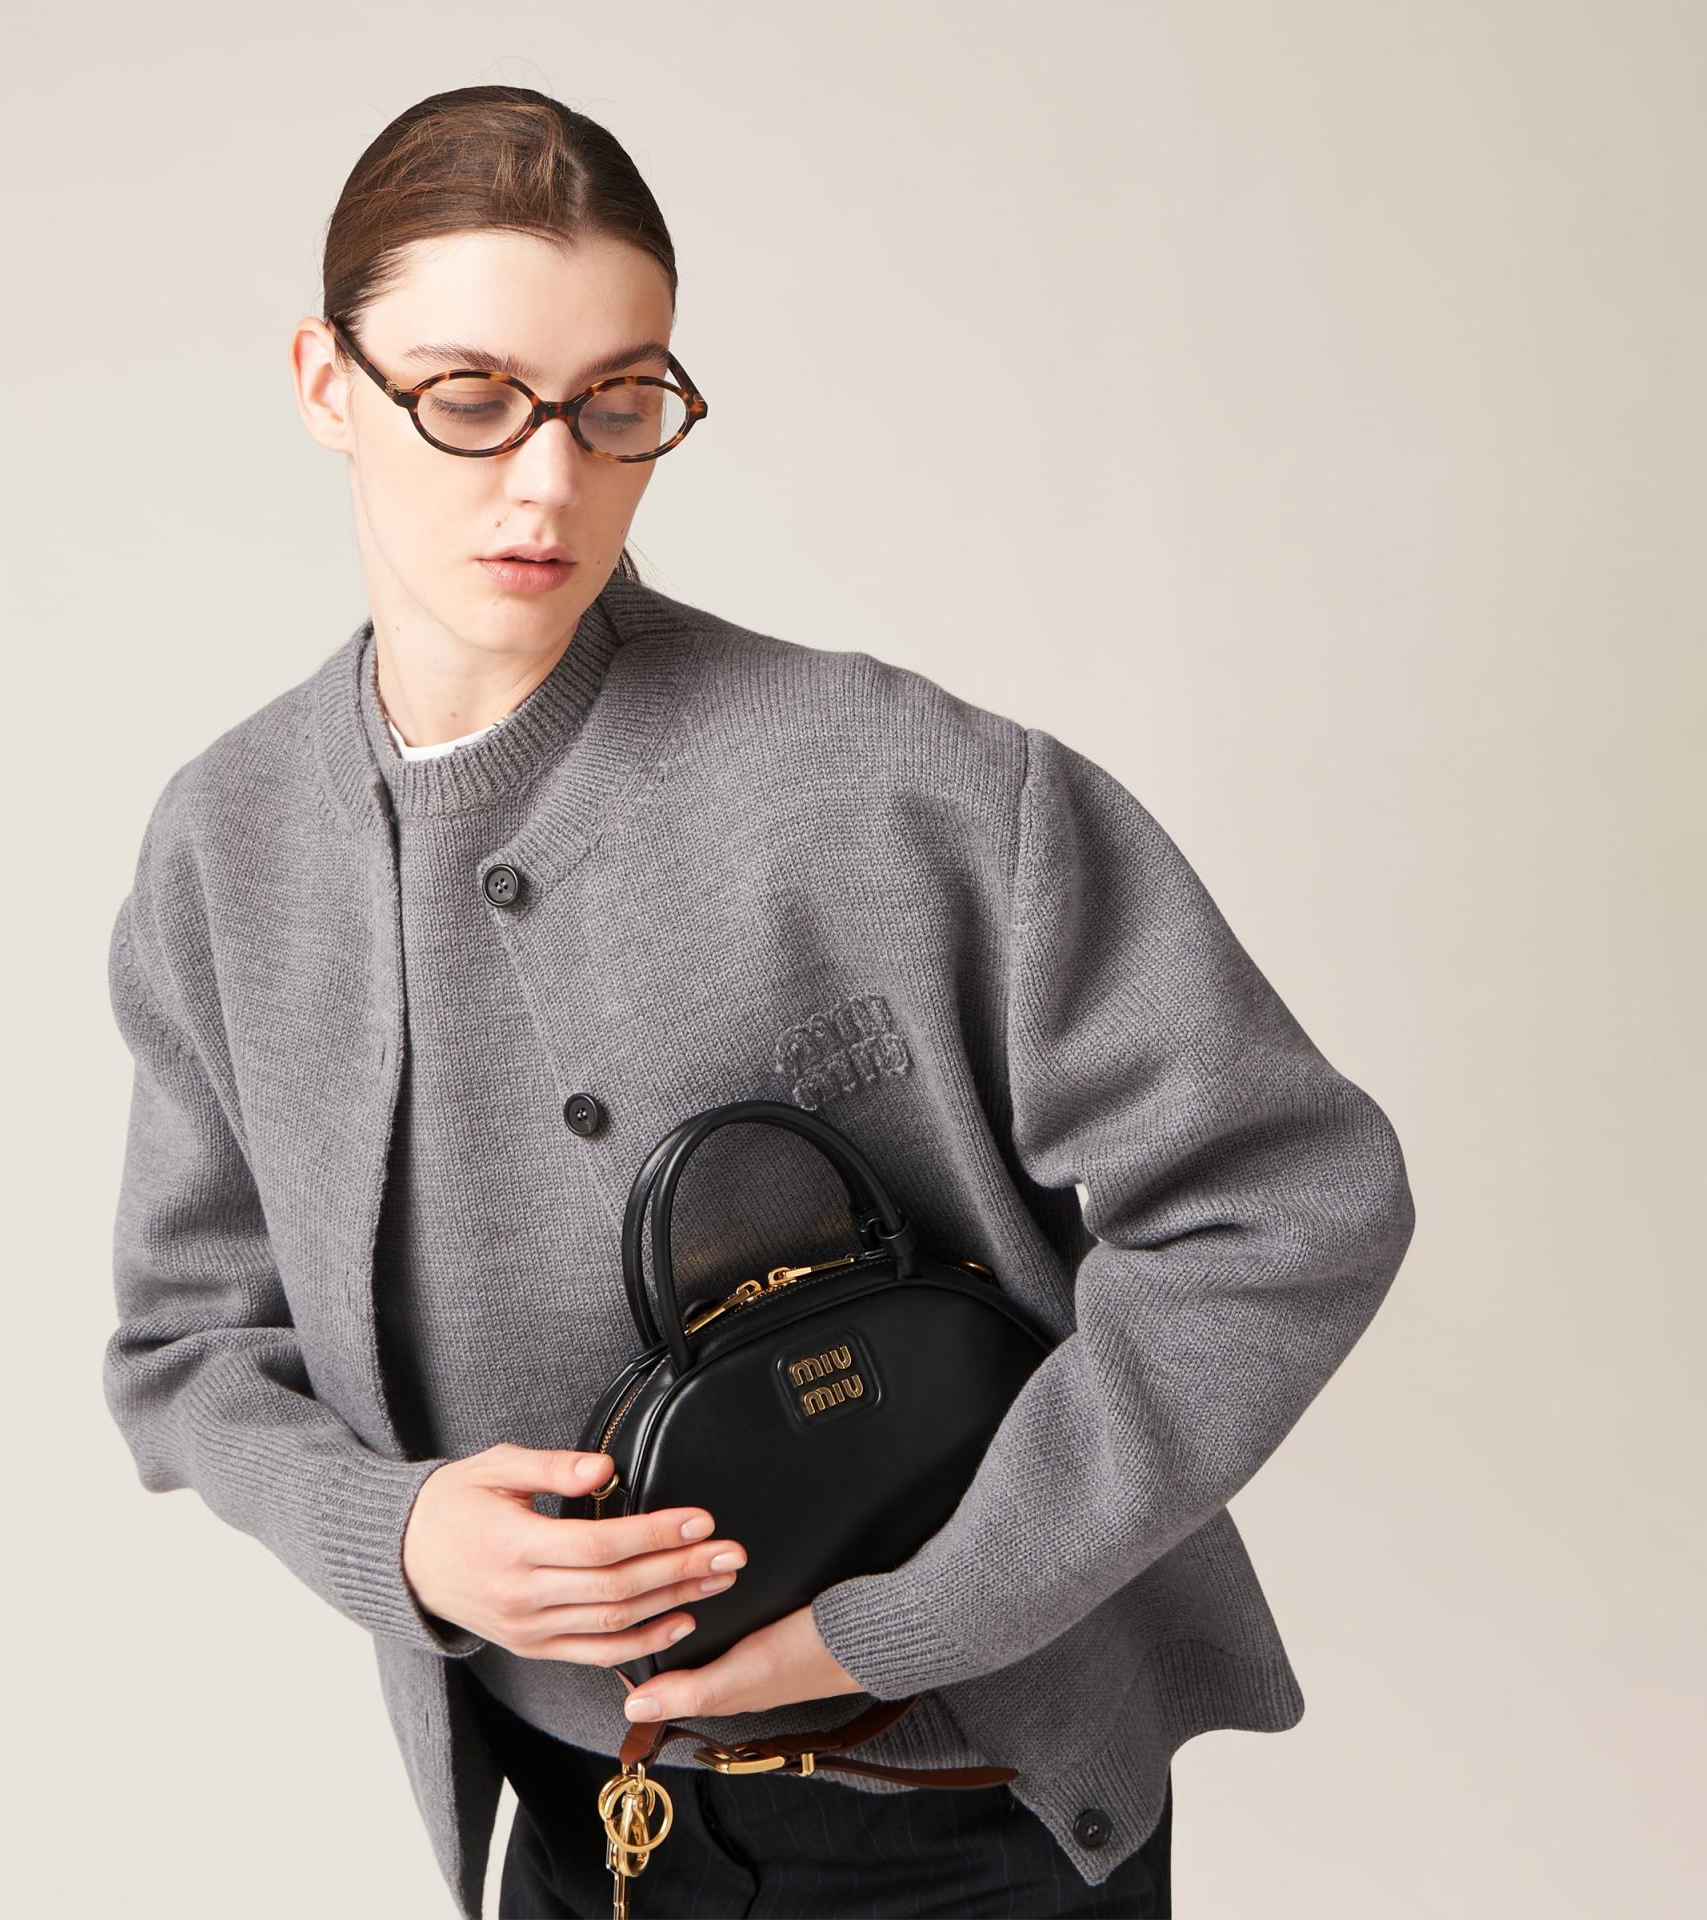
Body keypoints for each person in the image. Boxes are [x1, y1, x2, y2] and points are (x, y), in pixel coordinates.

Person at [102, 84, 1414, 1920]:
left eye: (618, 403)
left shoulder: (902, 784)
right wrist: (392, 1536)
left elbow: (1291, 1201)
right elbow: (185, 1341)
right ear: (329, 382)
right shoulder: (227, 846)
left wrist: (917, 1617)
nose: (549, 480)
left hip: (968, 1810)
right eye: (470, 398)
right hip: (579, 1826)